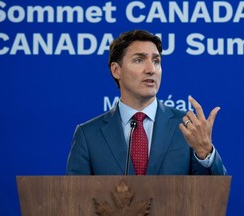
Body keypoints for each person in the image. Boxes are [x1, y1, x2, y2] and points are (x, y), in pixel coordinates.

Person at [66, 30, 227, 175]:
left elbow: (215, 196)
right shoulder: (88, 135)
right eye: (139, 60)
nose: (151, 69)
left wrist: (205, 152)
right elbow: (74, 200)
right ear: (116, 70)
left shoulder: (187, 126)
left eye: (156, 61)